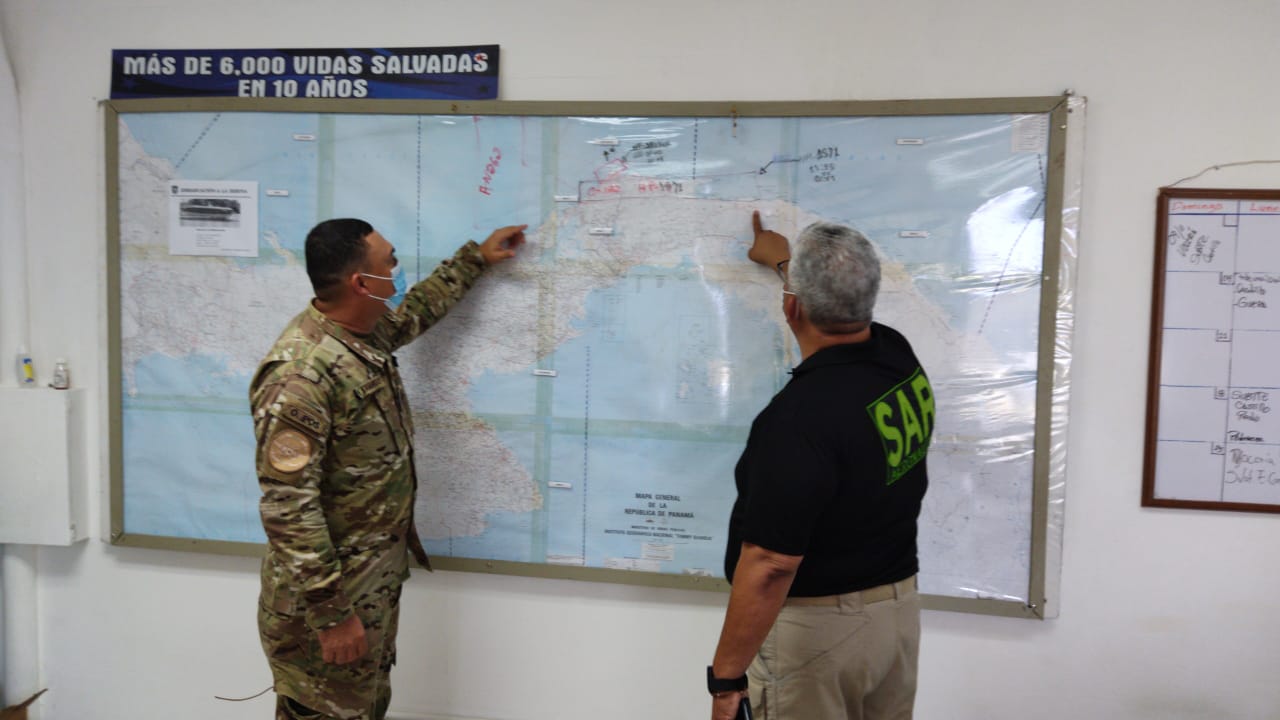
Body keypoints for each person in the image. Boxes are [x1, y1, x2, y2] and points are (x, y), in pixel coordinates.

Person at [250, 218, 526, 720]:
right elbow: (288, 506)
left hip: (365, 589)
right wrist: (332, 616)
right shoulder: (301, 374)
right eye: (389, 261)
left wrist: (476, 260)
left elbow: (415, 312)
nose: (397, 271)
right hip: (326, 608)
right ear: (361, 282)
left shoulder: (362, 333)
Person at [707, 211, 933, 720]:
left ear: (792, 307)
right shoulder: (897, 356)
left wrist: (725, 681)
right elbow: (835, 307)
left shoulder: (798, 419)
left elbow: (770, 564)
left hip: (818, 638)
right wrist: (783, 260)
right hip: (894, 622)